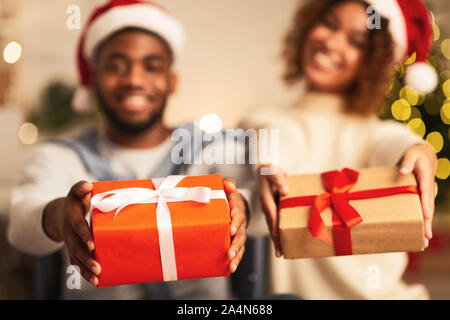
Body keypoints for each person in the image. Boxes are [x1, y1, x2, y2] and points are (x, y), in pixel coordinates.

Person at [8, 0, 251, 300]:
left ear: (172, 81)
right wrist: (57, 217)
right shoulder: (61, 157)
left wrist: (244, 210)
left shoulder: (211, 151)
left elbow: (267, 200)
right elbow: (20, 224)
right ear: (93, 78)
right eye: (116, 66)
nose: (135, 80)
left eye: (152, 66)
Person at [242, 0, 438, 299]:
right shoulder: (266, 121)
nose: (331, 42)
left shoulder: (373, 134)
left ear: (373, 62)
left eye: (355, 41)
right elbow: (274, 138)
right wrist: (270, 165)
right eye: (329, 24)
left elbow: (392, 142)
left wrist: (420, 151)